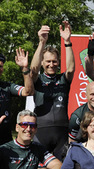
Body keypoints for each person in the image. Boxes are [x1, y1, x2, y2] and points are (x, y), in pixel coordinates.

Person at [29, 21, 74, 160]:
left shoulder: (63, 79)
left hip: (61, 132)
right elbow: (33, 70)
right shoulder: (38, 79)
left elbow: (71, 68)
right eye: (47, 61)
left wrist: (67, 42)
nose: (51, 64)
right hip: (41, 132)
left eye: (54, 61)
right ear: (42, 62)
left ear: (58, 62)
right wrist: (41, 42)